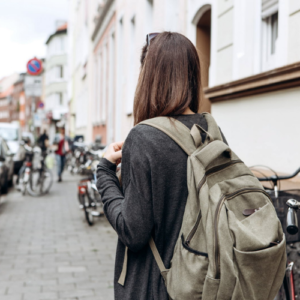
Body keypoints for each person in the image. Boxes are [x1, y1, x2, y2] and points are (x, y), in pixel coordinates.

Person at [96, 32, 227, 300]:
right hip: (206, 283)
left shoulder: (144, 137)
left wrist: (104, 172)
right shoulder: (211, 129)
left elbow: (133, 231)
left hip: (155, 286)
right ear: (192, 74)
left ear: (149, 77)